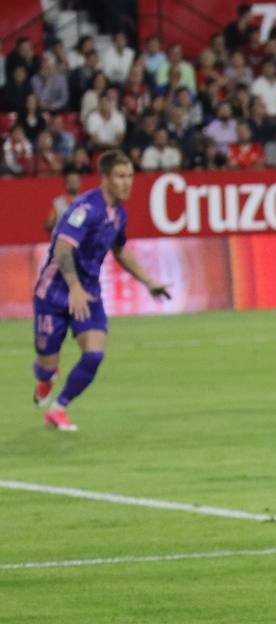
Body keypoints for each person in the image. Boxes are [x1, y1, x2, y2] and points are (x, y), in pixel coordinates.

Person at [32, 151, 171, 432]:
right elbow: (62, 248)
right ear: (105, 179)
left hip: (89, 294)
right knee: (46, 364)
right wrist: (73, 288)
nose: (127, 182)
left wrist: (148, 281)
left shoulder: (119, 214)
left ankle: (59, 408)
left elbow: (119, 250)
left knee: (94, 355)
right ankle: (46, 376)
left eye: (130, 176)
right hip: (55, 293)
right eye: (120, 176)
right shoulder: (86, 209)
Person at [44, 168, 82, 233]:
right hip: (62, 239)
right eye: (69, 181)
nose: (72, 183)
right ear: (65, 184)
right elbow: (49, 224)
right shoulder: (58, 203)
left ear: (80, 183)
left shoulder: (86, 202)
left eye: (74, 181)